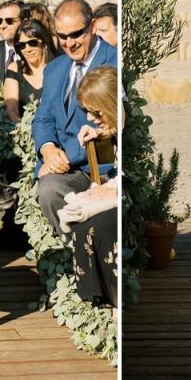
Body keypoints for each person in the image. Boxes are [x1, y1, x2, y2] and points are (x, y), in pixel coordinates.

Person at [33, 0, 118, 237]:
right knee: (48, 190)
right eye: (62, 36)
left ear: (92, 27)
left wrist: (60, 160)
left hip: (104, 168)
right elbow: (43, 119)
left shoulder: (114, 62)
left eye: (75, 35)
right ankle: (75, 253)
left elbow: (116, 122)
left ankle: (92, 257)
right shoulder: (55, 69)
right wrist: (48, 150)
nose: (69, 43)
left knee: (50, 187)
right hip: (67, 170)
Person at [56, 65, 119, 308]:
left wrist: (112, 189)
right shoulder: (111, 127)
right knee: (81, 224)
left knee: (98, 229)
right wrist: (102, 132)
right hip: (113, 187)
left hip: (123, 195)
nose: (90, 118)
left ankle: (114, 298)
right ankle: (96, 299)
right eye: (87, 112)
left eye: (95, 112)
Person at [4, 19, 55, 122]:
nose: (27, 49)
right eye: (22, 45)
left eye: (32, 42)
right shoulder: (14, 69)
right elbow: (12, 109)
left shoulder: (58, 68)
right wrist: (23, 131)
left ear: (44, 42)